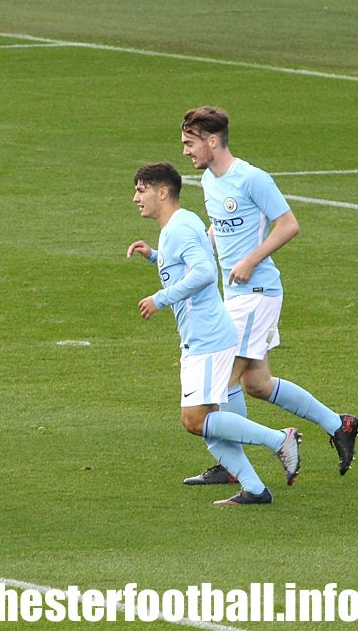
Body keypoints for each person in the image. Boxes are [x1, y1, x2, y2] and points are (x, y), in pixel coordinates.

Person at [180, 106, 358, 484]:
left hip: (257, 292)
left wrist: (250, 259)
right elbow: (220, 227)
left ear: (213, 141)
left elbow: (289, 224)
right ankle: (338, 424)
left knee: (221, 384)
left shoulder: (251, 178)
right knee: (256, 383)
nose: (186, 151)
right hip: (236, 294)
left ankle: (234, 468)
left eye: (190, 143)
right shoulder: (211, 181)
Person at [127, 162, 303, 505]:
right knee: (206, 422)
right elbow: (189, 262)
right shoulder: (181, 223)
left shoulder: (179, 227)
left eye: (141, 189)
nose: (135, 198)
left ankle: (279, 439)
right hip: (201, 335)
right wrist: (154, 257)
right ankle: (253, 488)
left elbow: (205, 272)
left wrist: (160, 299)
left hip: (207, 337)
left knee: (195, 420)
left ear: (162, 191)